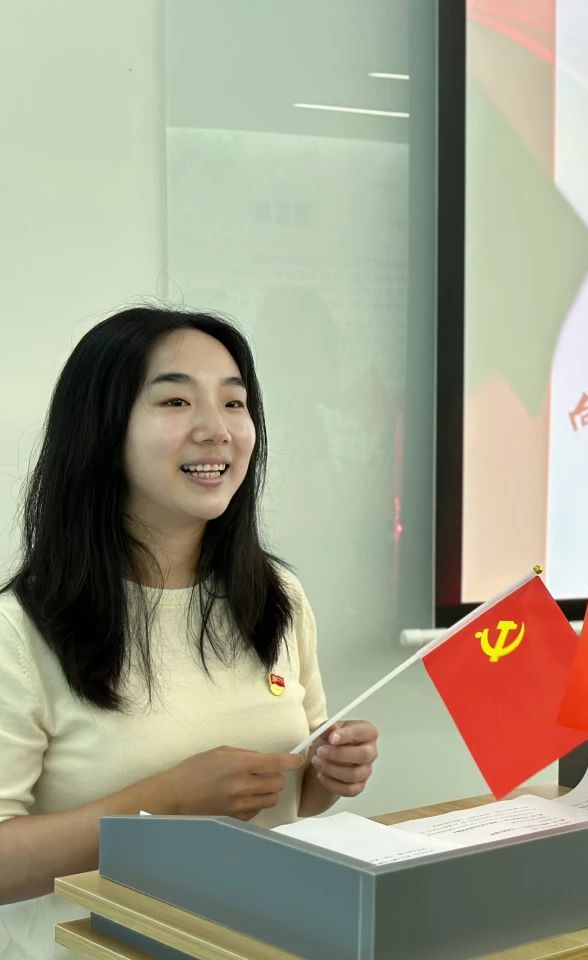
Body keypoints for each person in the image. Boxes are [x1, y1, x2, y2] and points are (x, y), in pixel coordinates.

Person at [0, 306, 379, 959]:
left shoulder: (277, 596)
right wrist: (168, 802)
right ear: (101, 429)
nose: (217, 430)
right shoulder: (19, 629)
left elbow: (293, 798)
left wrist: (328, 771)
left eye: (234, 403)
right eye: (176, 401)